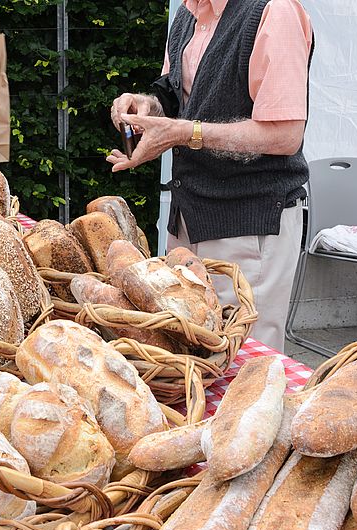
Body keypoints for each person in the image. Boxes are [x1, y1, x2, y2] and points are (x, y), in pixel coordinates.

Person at [108, 0, 313, 352]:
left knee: (245, 363)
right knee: (189, 354)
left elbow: (285, 135)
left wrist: (184, 133)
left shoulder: (275, 11)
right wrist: (148, 107)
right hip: (188, 216)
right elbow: (180, 96)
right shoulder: (188, 13)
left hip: (251, 225)